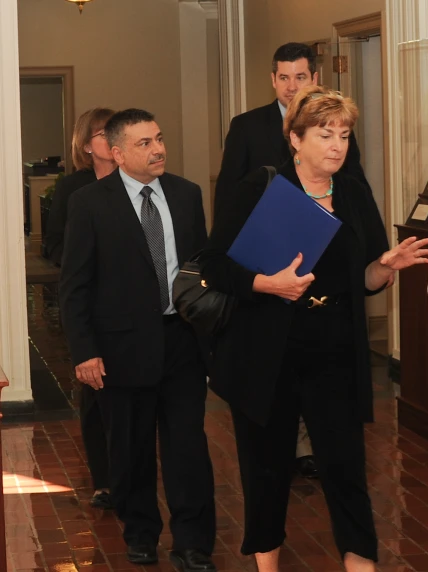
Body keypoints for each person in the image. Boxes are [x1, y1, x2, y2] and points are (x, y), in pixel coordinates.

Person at [200, 85, 428, 572]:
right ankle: (266, 564)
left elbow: (363, 279)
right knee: (266, 470)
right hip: (268, 352)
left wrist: (386, 266)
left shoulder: (353, 191)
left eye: (344, 135)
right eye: (325, 135)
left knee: (345, 468)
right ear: (295, 139)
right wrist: (268, 283)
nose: (337, 146)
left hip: (334, 352)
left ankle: (360, 562)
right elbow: (215, 267)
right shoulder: (262, 189)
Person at [59, 109, 217, 572]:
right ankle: (141, 533)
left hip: (182, 343)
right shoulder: (90, 203)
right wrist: (85, 351)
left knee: (187, 447)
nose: (158, 149)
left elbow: (201, 269)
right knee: (129, 449)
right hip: (120, 348)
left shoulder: (187, 196)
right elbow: (75, 285)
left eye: (160, 138)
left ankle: (193, 543)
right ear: (117, 151)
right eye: (145, 143)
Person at [215, 41, 371, 479]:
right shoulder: (247, 127)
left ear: (314, 78)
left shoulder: (340, 139)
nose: (290, 85)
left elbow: (351, 183)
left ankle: (308, 447)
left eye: (299, 77)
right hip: (266, 281)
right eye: (283, 77)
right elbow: (228, 205)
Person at [46, 107, 116, 510]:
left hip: (129, 307)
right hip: (89, 305)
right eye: (103, 133)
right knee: (94, 396)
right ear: (86, 145)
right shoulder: (72, 189)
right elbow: (53, 244)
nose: (110, 138)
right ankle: (104, 480)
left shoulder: (135, 182)